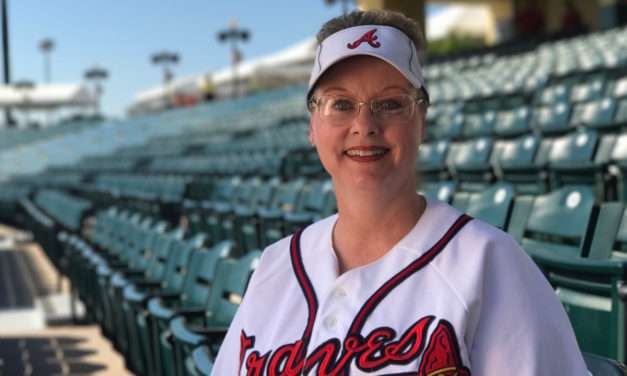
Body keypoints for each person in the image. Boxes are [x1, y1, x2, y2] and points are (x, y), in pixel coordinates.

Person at [212, 10, 589, 375]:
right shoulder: (274, 266)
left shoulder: (489, 263)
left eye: (390, 103)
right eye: (340, 104)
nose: (364, 125)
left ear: (420, 122)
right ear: (313, 125)